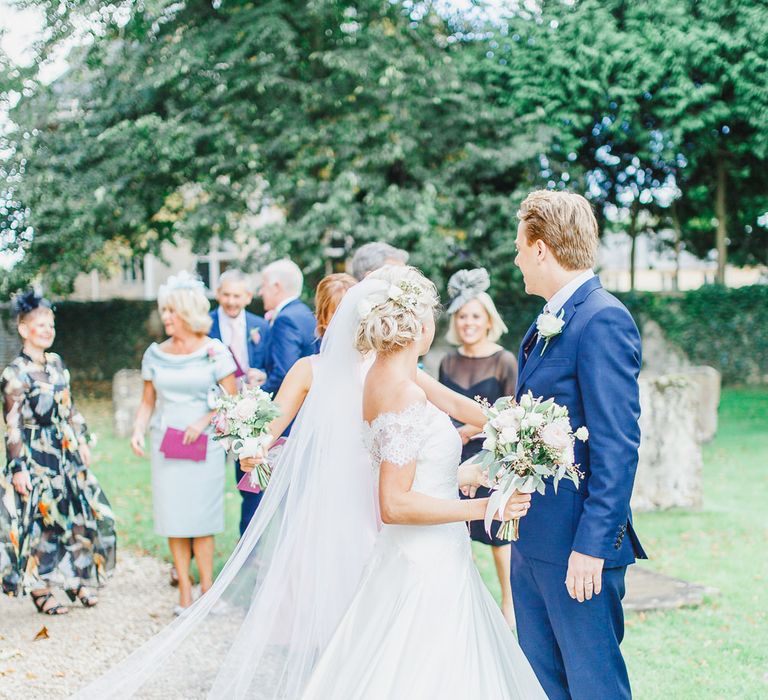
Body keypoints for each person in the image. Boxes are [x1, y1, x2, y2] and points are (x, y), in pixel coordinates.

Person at [72, 268, 501, 699]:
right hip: (344, 499)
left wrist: (512, 425)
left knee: (382, 607)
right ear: (324, 322)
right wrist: (249, 439)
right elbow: (271, 425)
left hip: (385, 489)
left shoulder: (390, 367)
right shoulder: (313, 369)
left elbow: (454, 407)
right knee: (352, 598)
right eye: (337, 316)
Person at [299, 265, 543, 698]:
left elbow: (453, 403)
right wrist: (486, 506)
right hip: (424, 561)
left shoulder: (392, 372)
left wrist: (520, 429)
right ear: (422, 323)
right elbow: (394, 504)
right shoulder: (401, 389)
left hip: (430, 552)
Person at [512, 190, 647, 699]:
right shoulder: (551, 317)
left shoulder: (602, 318)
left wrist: (592, 545)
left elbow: (617, 443)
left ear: (542, 248)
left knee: (593, 687)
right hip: (534, 540)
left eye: (520, 247)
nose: (517, 258)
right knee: (543, 686)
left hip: (576, 549)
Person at [0, 290, 116, 615]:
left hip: (65, 454)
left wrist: (81, 441)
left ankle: (75, 579)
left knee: (76, 516)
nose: (48, 329)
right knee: (43, 522)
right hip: (36, 458)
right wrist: (18, 469)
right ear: (24, 329)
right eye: (41, 324)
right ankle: (40, 586)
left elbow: (70, 408)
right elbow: (13, 426)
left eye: (51, 323)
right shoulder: (14, 374)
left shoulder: (56, 363)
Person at [130, 272, 237, 615]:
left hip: (204, 445)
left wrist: (203, 420)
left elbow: (230, 399)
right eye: (164, 312)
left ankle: (208, 590)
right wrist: (137, 428)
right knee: (175, 518)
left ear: (188, 313)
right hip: (168, 445)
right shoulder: (155, 354)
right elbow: (148, 400)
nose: (166, 318)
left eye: (172, 312)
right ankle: (185, 595)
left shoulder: (213, 350)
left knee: (202, 518)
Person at [438, 267, 518, 626]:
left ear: (488, 320)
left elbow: (510, 410)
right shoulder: (448, 361)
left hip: (492, 456)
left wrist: (466, 432)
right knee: (458, 532)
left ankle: (509, 604)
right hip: (452, 456)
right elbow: (441, 410)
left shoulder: (504, 360)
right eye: (462, 316)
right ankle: (466, 604)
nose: (468, 322)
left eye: (475, 316)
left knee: (499, 535)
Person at [209, 269, 270, 538]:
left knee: (251, 485)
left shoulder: (262, 326)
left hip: (249, 416)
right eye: (226, 295)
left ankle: (249, 549)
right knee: (202, 484)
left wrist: (264, 376)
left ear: (247, 297)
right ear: (217, 294)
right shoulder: (204, 324)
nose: (231, 301)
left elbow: (271, 365)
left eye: (237, 295)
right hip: (211, 415)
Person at [258, 259, 317, 400]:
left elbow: (284, 373)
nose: (260, 292)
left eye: (263, 286)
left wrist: (253, 396)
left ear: (276, 287)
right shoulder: (304, 312)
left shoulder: (285, 320)